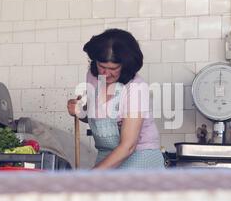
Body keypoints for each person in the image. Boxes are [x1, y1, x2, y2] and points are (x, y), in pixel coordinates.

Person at [67, 29, 165, 170]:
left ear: (125, 65)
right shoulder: (93, 77)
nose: (106, 73)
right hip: (107, 155)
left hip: (139, 157)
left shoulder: (136, 87)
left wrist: (92, 175)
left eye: (113, 68)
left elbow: (128, 146)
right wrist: (79, 111)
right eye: (101, 66)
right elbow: (95, 118)